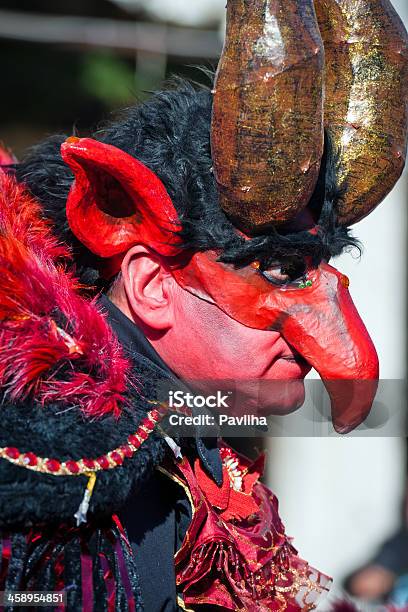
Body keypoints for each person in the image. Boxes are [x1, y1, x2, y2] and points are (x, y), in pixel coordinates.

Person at [0, 0, 407, 610]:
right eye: (281, 272)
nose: (334, 354)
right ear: (151, 285)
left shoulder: (185, 426)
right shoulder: (53, 465)